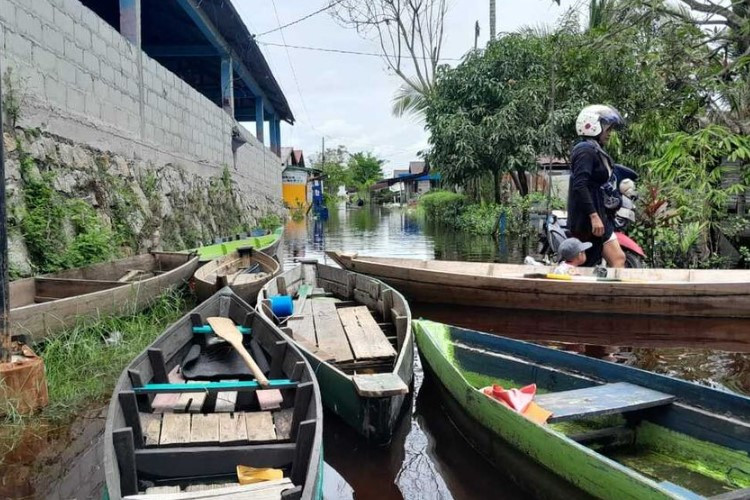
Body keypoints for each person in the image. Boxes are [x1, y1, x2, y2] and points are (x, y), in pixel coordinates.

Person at [567, 105, 627, 268]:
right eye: (607, 129)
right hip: (587, 218)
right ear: (593, 126)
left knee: (617, 259)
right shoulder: (585, 150)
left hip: (598, 214)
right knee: (587, 263)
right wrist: (593, 216)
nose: (609, 133)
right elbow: (580, 185)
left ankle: (611, 292)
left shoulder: (593, 149)